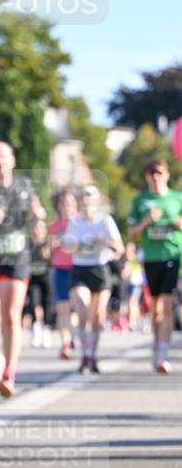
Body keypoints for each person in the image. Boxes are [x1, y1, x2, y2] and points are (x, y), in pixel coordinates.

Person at [0, 141, 46, 397]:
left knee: (11, 314)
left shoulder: (24, 187)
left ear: (12, 160)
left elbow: (37, 216)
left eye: (3, 156)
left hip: (16, 257)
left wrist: (39, 221)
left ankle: (9, 373)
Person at [127, 160, 182, 374]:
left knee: (167, 305)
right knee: (156, 308)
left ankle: (163, 354)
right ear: (147, 177)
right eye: (152, 173)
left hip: (173, 255)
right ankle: (157, 341)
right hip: (151, 258)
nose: (156, 176)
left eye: (159, 172)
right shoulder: (140, 201)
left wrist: (178, 224)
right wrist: (147, 221)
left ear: (167, 175)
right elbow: (131, 233)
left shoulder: (177, 198)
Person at [63, 185, 124, 373]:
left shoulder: (105, 221)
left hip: (99, 268)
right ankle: (84, 354)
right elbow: (66, 247)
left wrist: (103, 241)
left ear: (96, 200)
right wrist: (75, 244)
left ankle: (92, 355)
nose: (87, 200)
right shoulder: (74, 222)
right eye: (84, 197)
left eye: (90, 196)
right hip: (80, 269)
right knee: (82, 308)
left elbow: (119, 248)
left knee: (97, 315)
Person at [48, 189, 78, 359]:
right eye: (63, 203)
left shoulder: (81, 222)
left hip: (78, 268)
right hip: (60, 268)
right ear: (59, 206)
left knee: (76, 307)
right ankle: (65, 344)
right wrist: (54, 242)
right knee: (62, 307)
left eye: (70, 203)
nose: (66, 207)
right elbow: (49, 249)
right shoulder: (54, 225)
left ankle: (72, 335)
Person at [27, 218, 53, 347]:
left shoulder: (47, 244)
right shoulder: (28, 244)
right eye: (35, 227)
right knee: (34, 303)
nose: (37, 230)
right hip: (33, 278)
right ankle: (36, 328)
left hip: (46, 277)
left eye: (40, 228)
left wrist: (49, 253)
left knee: (46, 304)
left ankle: (46, 330)